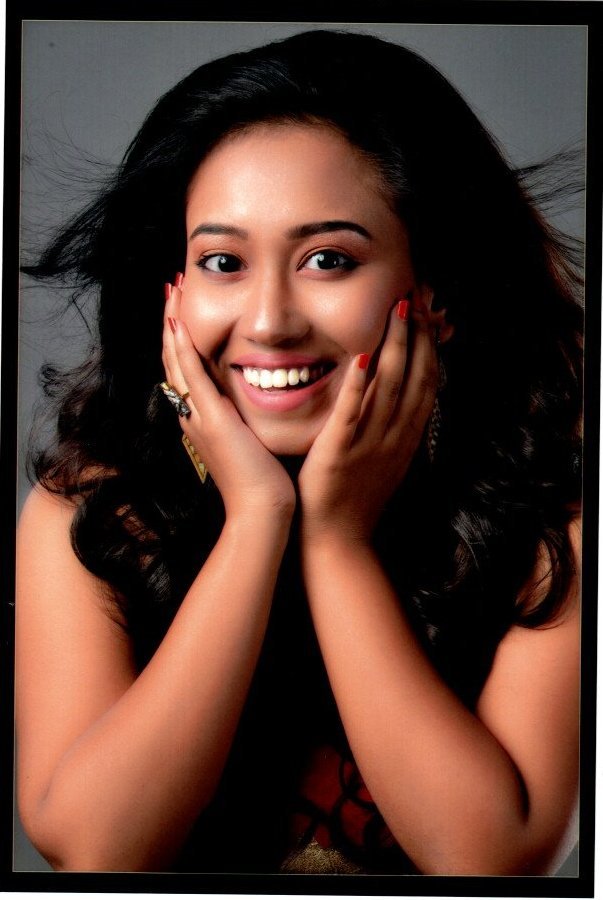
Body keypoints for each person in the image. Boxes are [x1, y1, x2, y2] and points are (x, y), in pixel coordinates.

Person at [16, 29, 582, 875]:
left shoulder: (554, 517)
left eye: (327, 260)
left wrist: (335, 538)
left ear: (438, 291)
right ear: (172, 293)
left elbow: (490, 860)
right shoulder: (94, 513)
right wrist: (257, 520)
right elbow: (98, 853)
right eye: (222, 261)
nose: (270, 321)